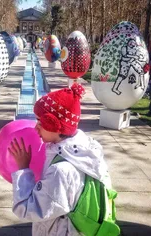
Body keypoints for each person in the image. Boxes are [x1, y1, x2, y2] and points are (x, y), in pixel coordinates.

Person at [8, 83, 111, 236]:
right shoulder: (86, 152)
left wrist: (23, 170)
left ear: (54, 124)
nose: (35, 127)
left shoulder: (61, 171)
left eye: (40, 122)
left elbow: (28, 209)